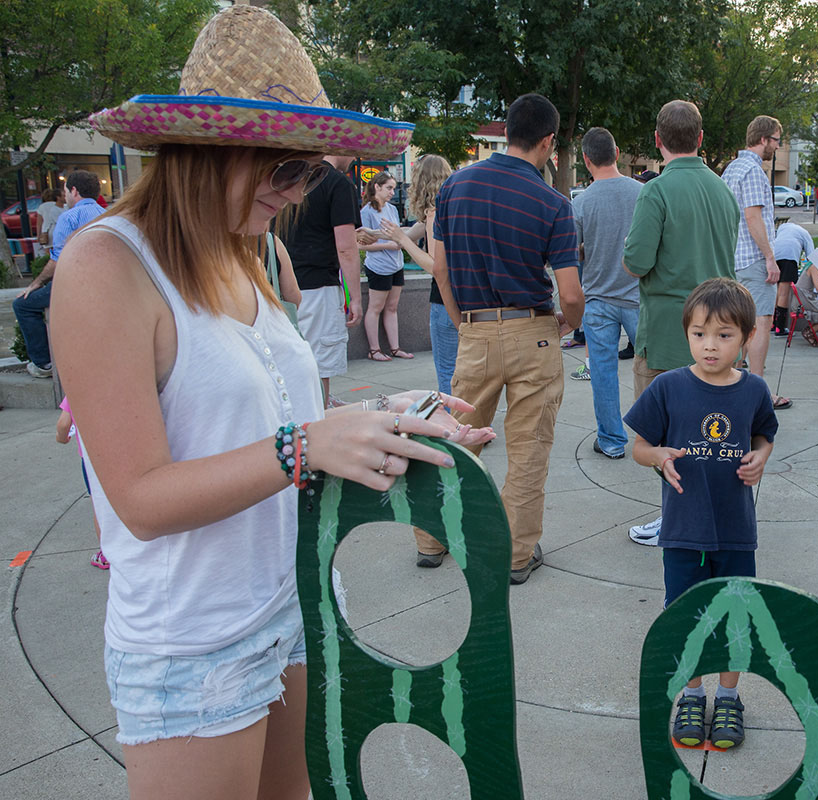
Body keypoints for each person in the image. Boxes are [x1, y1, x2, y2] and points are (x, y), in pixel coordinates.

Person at [67, 7, 494, 798]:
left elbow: (270, 417)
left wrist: (392, 415)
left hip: (294, 601)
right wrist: (302, 447)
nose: (299, 190)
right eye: (288, 170)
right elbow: (140, 501)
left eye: (309, 173)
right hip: (193, 639)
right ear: (209, 150)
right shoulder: (107, 265)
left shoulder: (244, 249)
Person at [433, 92, 585, 585]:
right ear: (548, 142)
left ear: (504, 130)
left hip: (475, 327)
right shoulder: (553, 204)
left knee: (455, 439)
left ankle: (431, 536)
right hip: (533, 332)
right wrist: (567, 324)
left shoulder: (454, 186)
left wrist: (462, 322)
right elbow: (571, 292)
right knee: (528, 448)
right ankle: (517, 554)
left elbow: (440, 268)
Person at [623, 277, 777, 750]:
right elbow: (638, 446)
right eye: (699, 334)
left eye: (724, 335)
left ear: (747, 337)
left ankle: (728, 697)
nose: (710, 346)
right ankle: (691, 694)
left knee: (734, 617)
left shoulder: (753, 391)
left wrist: (760, 456)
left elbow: (764, 434)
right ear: (687, 333)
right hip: (683, 531)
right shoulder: (669, 387)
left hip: (735, 532)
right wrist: (658, 456)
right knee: (685, 616)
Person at [622, 99, 739, 546]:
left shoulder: (656, 191)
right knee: (713, 436)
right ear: (701, 139)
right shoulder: (721, 188)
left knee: (664, 435)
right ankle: (711, 518)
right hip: (723, 330)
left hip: (673, 333)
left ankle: (677, 522)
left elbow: (636, 261)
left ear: (658, 140)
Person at [572, 126, 642, 458]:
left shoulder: (582, 202)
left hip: (598, 297)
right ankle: (656, 438)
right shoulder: (642, 193)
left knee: (602, 373)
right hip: (639, 296)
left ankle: (612, 441)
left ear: (586, 159)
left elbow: (571, 254)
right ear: (616, 153)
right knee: (653, 368)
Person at [275, 153, 363, 407]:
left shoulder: (287, 176)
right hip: (319, 286)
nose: (355, 158)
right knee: (317, 367)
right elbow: (346, 248)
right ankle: (317, 420)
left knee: (289, 364)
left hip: (280, 284)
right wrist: (354, 299)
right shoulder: (337, 183)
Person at [721, 115, 790, 409]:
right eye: (776, 140)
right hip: (752, 260)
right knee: (760, 324)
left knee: (736, 326)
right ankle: (759, 394)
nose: (776, 146)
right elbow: (753, 217)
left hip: (732, 260)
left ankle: (729, 384)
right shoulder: (752, 171)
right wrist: (770, 258)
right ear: (763, 139)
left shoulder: (731, 169)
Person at [13, 170, 105, 378]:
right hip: (104, 284)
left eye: (65, 191)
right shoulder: (107, 214)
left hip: (73, 285)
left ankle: (43, 362)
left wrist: (35, 283)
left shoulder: (69, 217)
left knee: (23, 304)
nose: (65, 196)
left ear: (74, 190)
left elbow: (58, 260)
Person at [379, 155, 457, 394]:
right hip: (467, 297)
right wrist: (376, 233)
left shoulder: (435, 213)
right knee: (464, 370)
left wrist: (403, 241)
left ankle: (454, 424)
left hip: (444, 301)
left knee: (447, 371)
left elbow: (436, 266)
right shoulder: (452, 207)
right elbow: (414, 230)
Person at [358, 172, 412, 361]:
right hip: (379, 266)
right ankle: (374, 350)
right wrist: (389, 245)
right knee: (376, 307)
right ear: (377, 187)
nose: (392, 192)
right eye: (389, 188)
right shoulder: (366, 212)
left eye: (393, 188)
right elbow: (361, 243)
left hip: (396, 264)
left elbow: (397, 233)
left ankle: (395, 347)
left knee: (392, 307)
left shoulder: (392, 209)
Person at [56, 396, 105, 569]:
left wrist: (61, 438)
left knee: (99, 506)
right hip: (120, 455)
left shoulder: (78, 385)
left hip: (91, 459)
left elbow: (63, 424)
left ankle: (106, 553)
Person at [772, 220, 815, 337]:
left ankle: (772, 324)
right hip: (789, 257)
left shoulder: (782, 228)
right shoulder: (805, 234)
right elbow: (811, 256)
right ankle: (780, 327)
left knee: (775, 291)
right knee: (783, 293)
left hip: (774, 255)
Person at [35, 187, 65, 256]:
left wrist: (38, 235)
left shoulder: (42, 207)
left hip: (46, 232)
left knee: (48, 254)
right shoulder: (58, 205)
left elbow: (39, 223)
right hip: (57, 230)